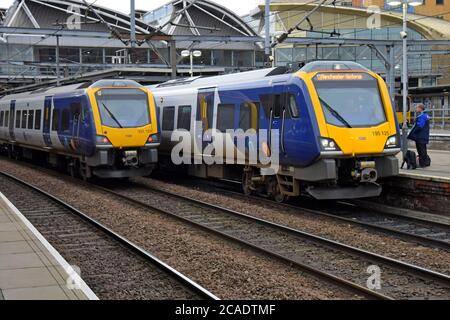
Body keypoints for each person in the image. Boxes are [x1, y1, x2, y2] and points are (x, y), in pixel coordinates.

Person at [407, 104, 431, 168]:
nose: (416, 109)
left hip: (420, 136)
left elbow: (420, 126)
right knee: (423, 150)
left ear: (420, 108)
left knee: (421, 150)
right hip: (423, 136)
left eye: (417, 108)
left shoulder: (422, 116)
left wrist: (413, 132)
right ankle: (424, 163)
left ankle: (422, 164)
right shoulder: (425, 115)